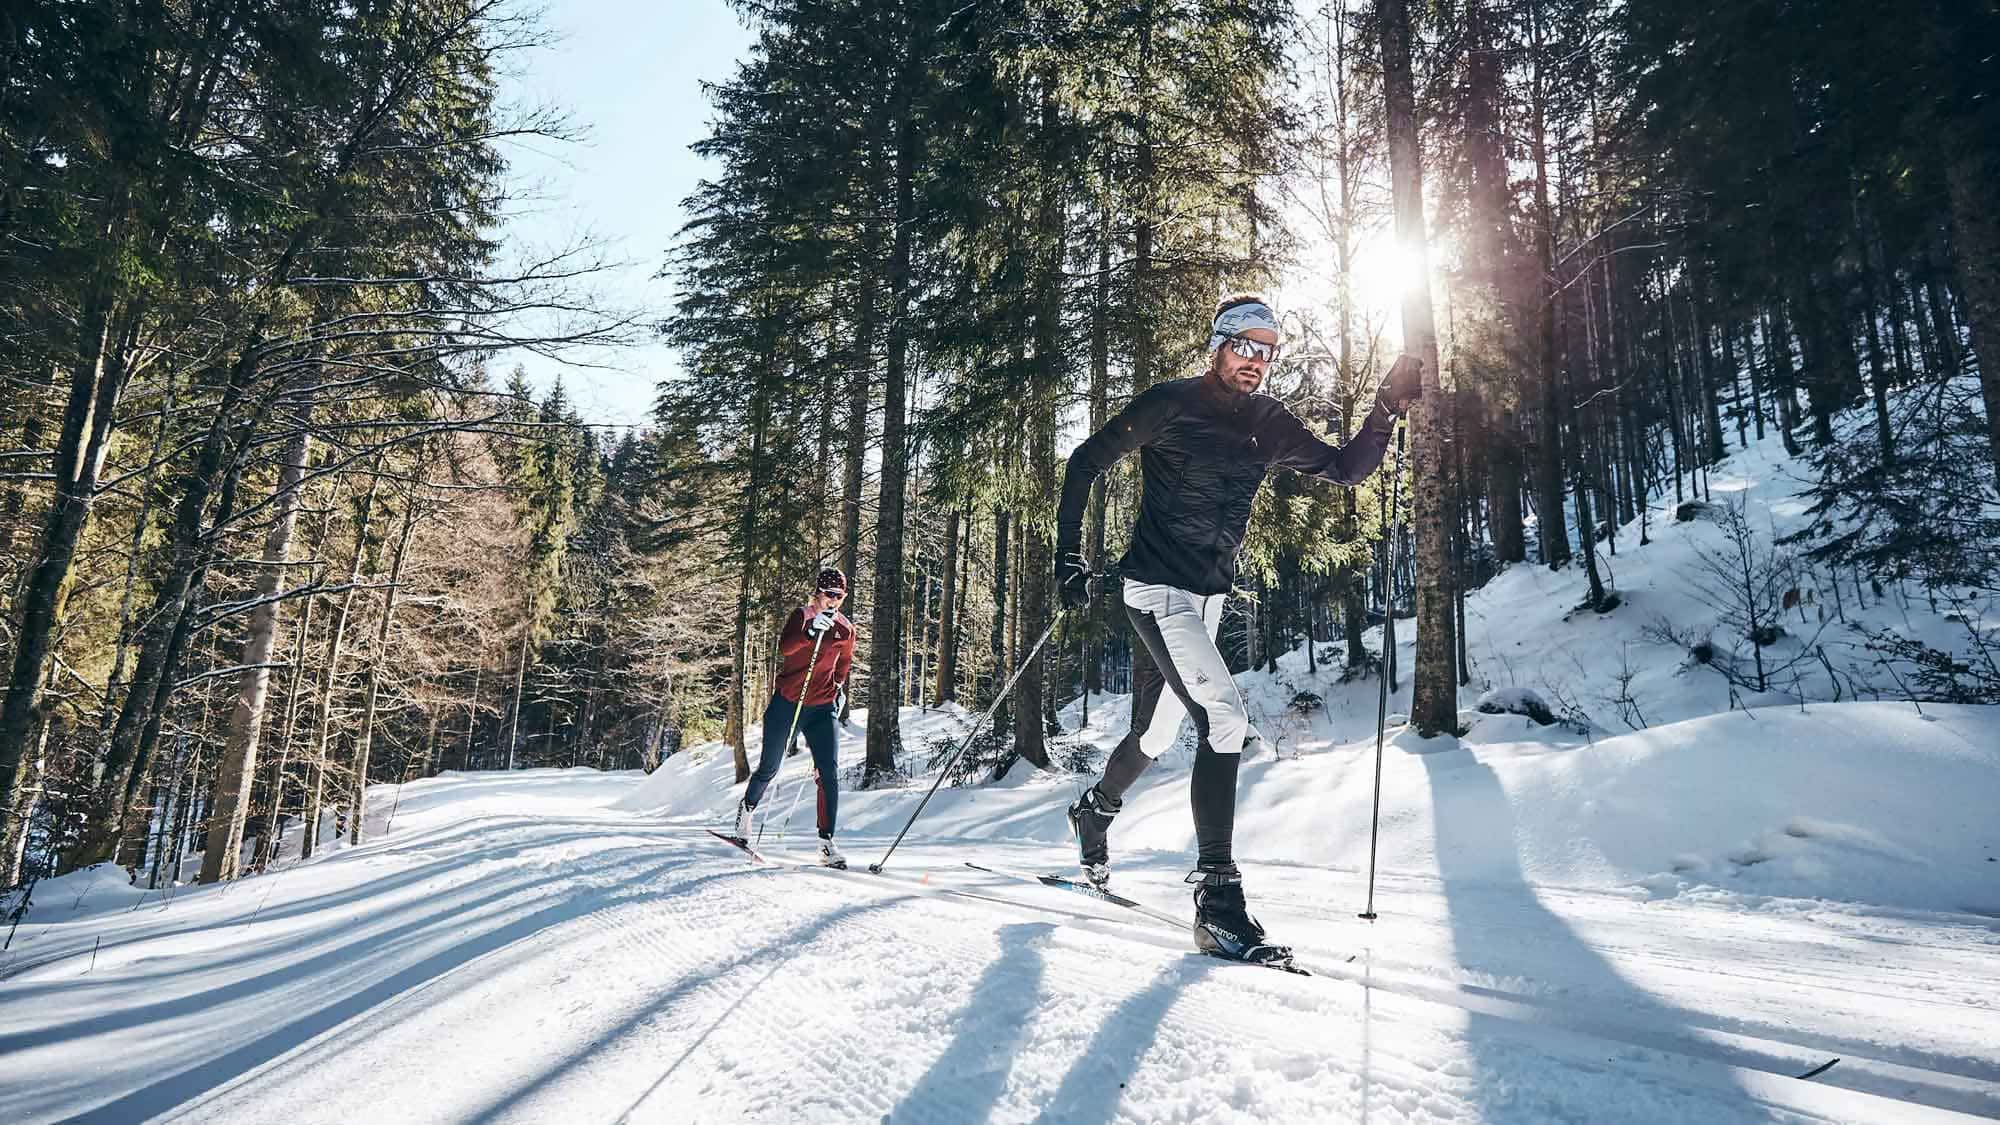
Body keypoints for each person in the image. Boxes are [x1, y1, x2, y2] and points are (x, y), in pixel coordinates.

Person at [1052, 293, 1422, 964]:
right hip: (1155, 586)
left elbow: (1343, 468)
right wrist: (1068, 556)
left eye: (1267, 352)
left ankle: (1096, 807)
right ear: (1216, 345)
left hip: (1207, 598)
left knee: (1160, 732)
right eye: (1243, 345)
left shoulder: (1268, 422)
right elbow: (1084, 462)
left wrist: (1385, 410)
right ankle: (1218, 898)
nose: (1255, 361)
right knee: (1223, 717)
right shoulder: (1171, 403)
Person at [733, 567, 857, 867]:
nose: (834, 601)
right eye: (829, 595)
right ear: (818, 593)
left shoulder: (844, 629)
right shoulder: (801, 616)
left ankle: (826, 842)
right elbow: (787, 647)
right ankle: (747, 810)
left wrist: (838, 687)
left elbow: (845, 662)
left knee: (828, 773)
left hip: (822, 707)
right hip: (788, 703)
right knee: (770, 767)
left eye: (840, 597)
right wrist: (811, 632)